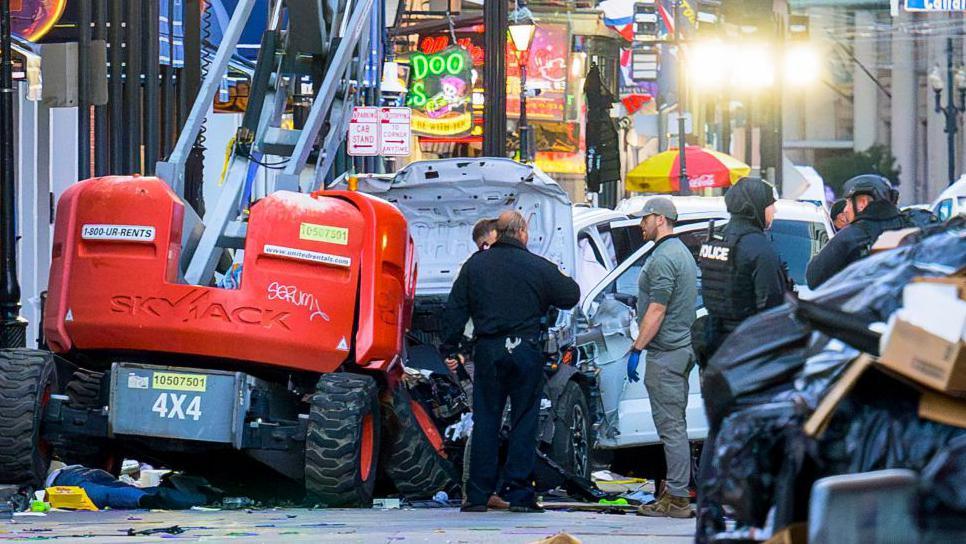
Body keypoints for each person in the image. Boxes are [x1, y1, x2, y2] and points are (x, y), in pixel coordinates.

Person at [441, 210, 580, 513]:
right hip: (525, 350)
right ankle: (520, 496)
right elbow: (571, 294)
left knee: (486, 421)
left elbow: (454, 309)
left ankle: (478, 496)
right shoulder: (536, 266)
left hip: (489, 351)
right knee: (524, 421)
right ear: (522, 233)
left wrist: (450, 347)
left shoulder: (475, 265)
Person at [625, 198, 697, 519]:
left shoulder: (665, 257)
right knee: (674, 425)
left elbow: (657, 309)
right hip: (677, 349)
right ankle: (674, 493)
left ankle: (679, 499)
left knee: (671, 427)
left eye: (645, 219)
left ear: (660, 219)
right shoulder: (678, 252)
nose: (642, 224)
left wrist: (637, 348)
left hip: (667, 352)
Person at [698, 177, 787, 358]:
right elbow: (772, 305)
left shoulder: (718, 238)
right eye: (771, 204)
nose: (775, 210)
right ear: (756, 206)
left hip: (715, 343)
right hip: (749, 347)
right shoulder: (758, 247)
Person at [805, 175, 911, 289]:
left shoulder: (849, 237)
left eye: (849, 202)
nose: (845, 210)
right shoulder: (914, 225)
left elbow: (813, 278)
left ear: (862, 203)